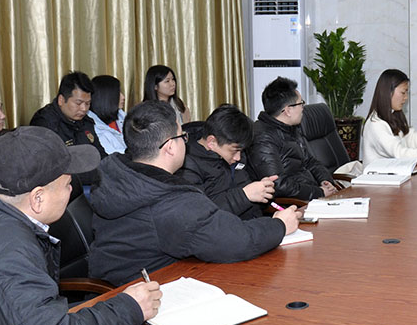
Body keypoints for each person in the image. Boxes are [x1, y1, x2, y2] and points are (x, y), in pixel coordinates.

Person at [0, 126, 161, 325]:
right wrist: (130, 308)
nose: (72, 190)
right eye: (68, 183)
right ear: (37, 198)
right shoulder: (4, 251)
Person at [89, 101, 299, 287]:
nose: (186, 142)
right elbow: (238, 241)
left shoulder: (119, 175)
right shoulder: (169, 199)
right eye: (183, 136)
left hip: (126, 287)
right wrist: (280, 225)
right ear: (170, 147)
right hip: (149, 294)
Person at [178, 104, 276, 220]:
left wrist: (263, 192)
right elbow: (201, 214)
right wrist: (245, 195)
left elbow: (249, 201)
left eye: (241, 151)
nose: (238, 157)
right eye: (235, 151)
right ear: (212, 142)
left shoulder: (233, 155)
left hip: (252, 225)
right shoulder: (187, 165)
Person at [248, 77, 338, 201]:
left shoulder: (291, 128)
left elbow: (310, 161)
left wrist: (325, 181)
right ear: (288, 110)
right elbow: (278, 184)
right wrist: (319, 192)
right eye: (301, 103)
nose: (303, 108)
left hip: (311, 195)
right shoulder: (263, 139)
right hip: (293, 204)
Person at [30, 71, 107, 158]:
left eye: (87, 103)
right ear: (61, 100)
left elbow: (100, 154)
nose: (84, 109)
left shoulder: (85, 122)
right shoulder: (45, 124)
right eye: (78, 103)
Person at [87, 75, 126, 154]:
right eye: (118, 93)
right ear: (106, 97)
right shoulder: (93, 129)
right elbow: (112, 156)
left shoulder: (122, 116)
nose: (123, 97)